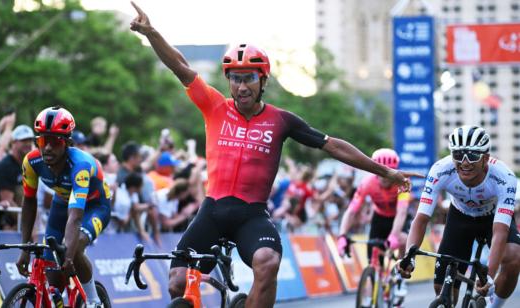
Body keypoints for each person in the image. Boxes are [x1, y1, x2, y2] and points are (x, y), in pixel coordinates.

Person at [129, 3, 420, 306]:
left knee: (267, 262)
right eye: (235, 78)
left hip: (251, 215)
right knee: (177, 282)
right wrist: (152, 33)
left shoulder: (281, 120)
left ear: (263, 80)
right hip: (212, 211)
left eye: (249, 79)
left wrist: (384, 171)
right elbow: (180, 66)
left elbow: (333, 145)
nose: (241, 87)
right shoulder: (215, 107)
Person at [398, 126, 520, 308]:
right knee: (441, 287)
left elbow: (500, 232)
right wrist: (409, 256)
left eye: (472, 156)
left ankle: (494, 306)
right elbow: (421, 218)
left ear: (485, 158)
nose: (464, 162)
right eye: (458, 155)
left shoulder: (504, 177)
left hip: (492, 219)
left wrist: (488, 277)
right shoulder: (440, 170)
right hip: (460, 218)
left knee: (513, 258)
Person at [16, 107, 111, 308]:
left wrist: (68, 256)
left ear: (67, 143)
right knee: (53, 277)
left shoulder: (80, 165)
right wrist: (25, 248)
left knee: (74, 250)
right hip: (62, 203)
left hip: (94, 205)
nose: (48, 148)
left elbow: (76, 216)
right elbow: (29, 203)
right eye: (43, 141)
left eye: (55, 141)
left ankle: (93, 300)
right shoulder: (31, 162)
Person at [337, 148, 411, 296]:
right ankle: (372, 297)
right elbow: (352, 210)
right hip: (379, 219)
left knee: (403, 240)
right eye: (380, 171)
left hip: (398, 218)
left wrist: (394, 236)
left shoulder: (403, 183)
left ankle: (401, 277)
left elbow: (402, 212)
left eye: (388, 171)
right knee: (373, 264)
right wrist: (342, 235)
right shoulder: (367, 183)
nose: (384, 177)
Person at [0, 124, 35, 230]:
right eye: (24, 140)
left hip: (18, 220)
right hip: (2, 223)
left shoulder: (26, 165)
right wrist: (27, 223)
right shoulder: (6, 166)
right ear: (13, 143)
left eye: (30, 140)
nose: (28, 144)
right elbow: (7, 201)